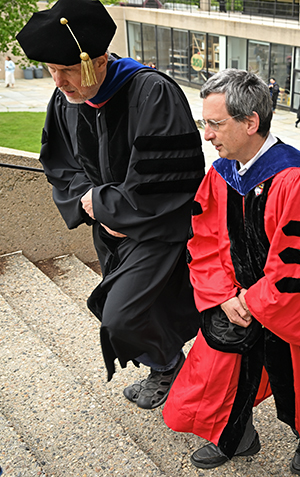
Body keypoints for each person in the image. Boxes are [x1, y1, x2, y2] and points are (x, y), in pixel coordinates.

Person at [162, 69, 300, 474]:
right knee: (226, 376)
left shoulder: (297, 181)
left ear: (251, 122)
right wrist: (223, 296)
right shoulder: (221, 174)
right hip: (233, 299)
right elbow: (205, 240)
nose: (207, 134)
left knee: (296, 385)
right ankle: (238, 438)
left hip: (285, 307)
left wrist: (252, 302)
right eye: (205, 123)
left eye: (215, 124)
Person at [16, 0, 205, 407]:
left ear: (99, 60)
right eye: (52, 71)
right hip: (108, 227)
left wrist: (103, 207)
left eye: (67, 70)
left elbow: (164, 180)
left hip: (157, 230)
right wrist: (91, 201)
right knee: (136, 310)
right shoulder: (66, 97)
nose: (60, 82)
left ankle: (179, 368)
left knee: (120, 314)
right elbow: (59, 161)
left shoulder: (152, 92)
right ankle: (167, 367)